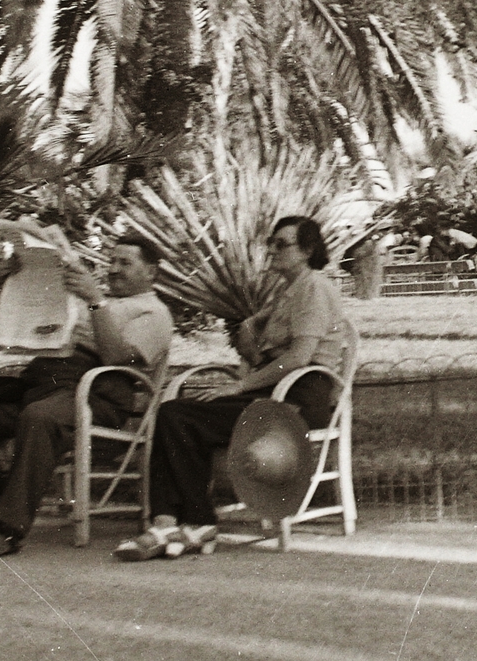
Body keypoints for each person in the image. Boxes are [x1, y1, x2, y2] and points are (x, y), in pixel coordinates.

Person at [116, 214, 343, 561]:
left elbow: (298, 358)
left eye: (281, 244)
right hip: (273, 394)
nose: (272, 250)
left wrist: (241, 386)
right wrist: (251, 325)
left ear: (307, 250)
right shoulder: (289, 291)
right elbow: (262, 345)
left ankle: (184, 522)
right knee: (176, 412)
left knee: (178, 416)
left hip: (297, 400)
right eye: (270, 243)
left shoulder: (315, 288)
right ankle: (174, 523)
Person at [0, 233, 173, 560]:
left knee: (40, 417)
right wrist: (18, 277)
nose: (114, 269)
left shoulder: (154, 312)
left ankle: (8, 530)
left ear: (151, 272)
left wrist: (95, 301)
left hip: (96, 396)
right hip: (44, 385)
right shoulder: (91, 300)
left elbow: (117, 357)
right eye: (112, 261)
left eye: (125, 263)